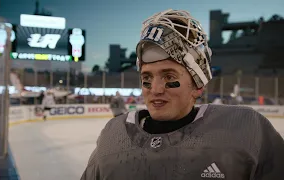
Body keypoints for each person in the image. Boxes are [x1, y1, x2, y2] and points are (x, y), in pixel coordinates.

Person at [81, 9, 284, 180]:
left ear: (197, 84)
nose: (156, 89)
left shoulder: (245, 130)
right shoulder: (112, 137)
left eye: (169, 76)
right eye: (147, 78)